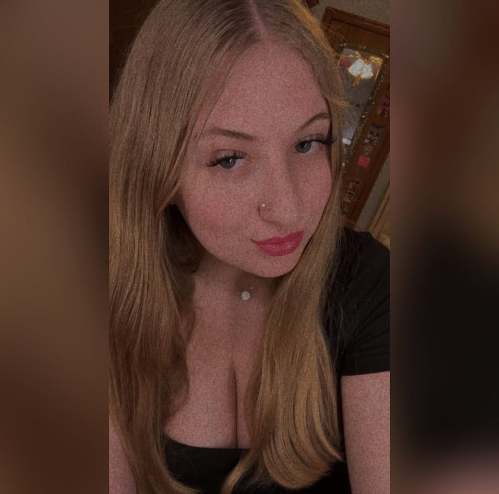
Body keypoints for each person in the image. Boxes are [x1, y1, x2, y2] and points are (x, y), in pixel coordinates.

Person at [109, 1, 390, 493]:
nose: (288, 208)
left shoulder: (368, 280)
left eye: (308, 143)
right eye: (230, 158)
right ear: (156, 163)